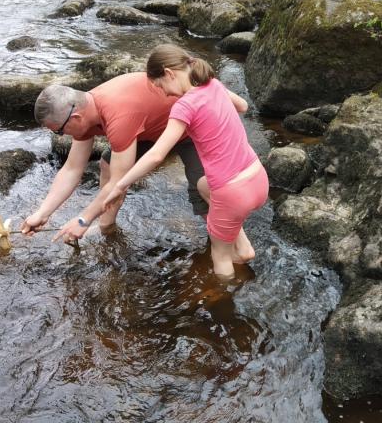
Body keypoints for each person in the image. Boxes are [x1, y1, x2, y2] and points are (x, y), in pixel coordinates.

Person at [103, 44, 269, 279]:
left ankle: (225, 303)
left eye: (161, 86)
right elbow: (242, 105)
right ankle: (243, 246)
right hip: (258, 179)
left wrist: (119, 185)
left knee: (220, 258)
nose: (165, 93)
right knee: (202, 185)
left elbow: (156, 155)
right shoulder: (214, 84)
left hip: (232, 192)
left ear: (169, 73)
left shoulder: (184, 106)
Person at [21, 72, 211, 241]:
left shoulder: (118, 115)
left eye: (60, 132)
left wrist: (83, 219)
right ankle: (106, 226)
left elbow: (119, 184)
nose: (63, 136)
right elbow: (72, 168)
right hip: (154, 128)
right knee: (108, 164)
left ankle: (231, 248)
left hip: (192, 125)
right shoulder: (84, 110)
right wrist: (42, 213)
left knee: (203, 189)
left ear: (76, 118)